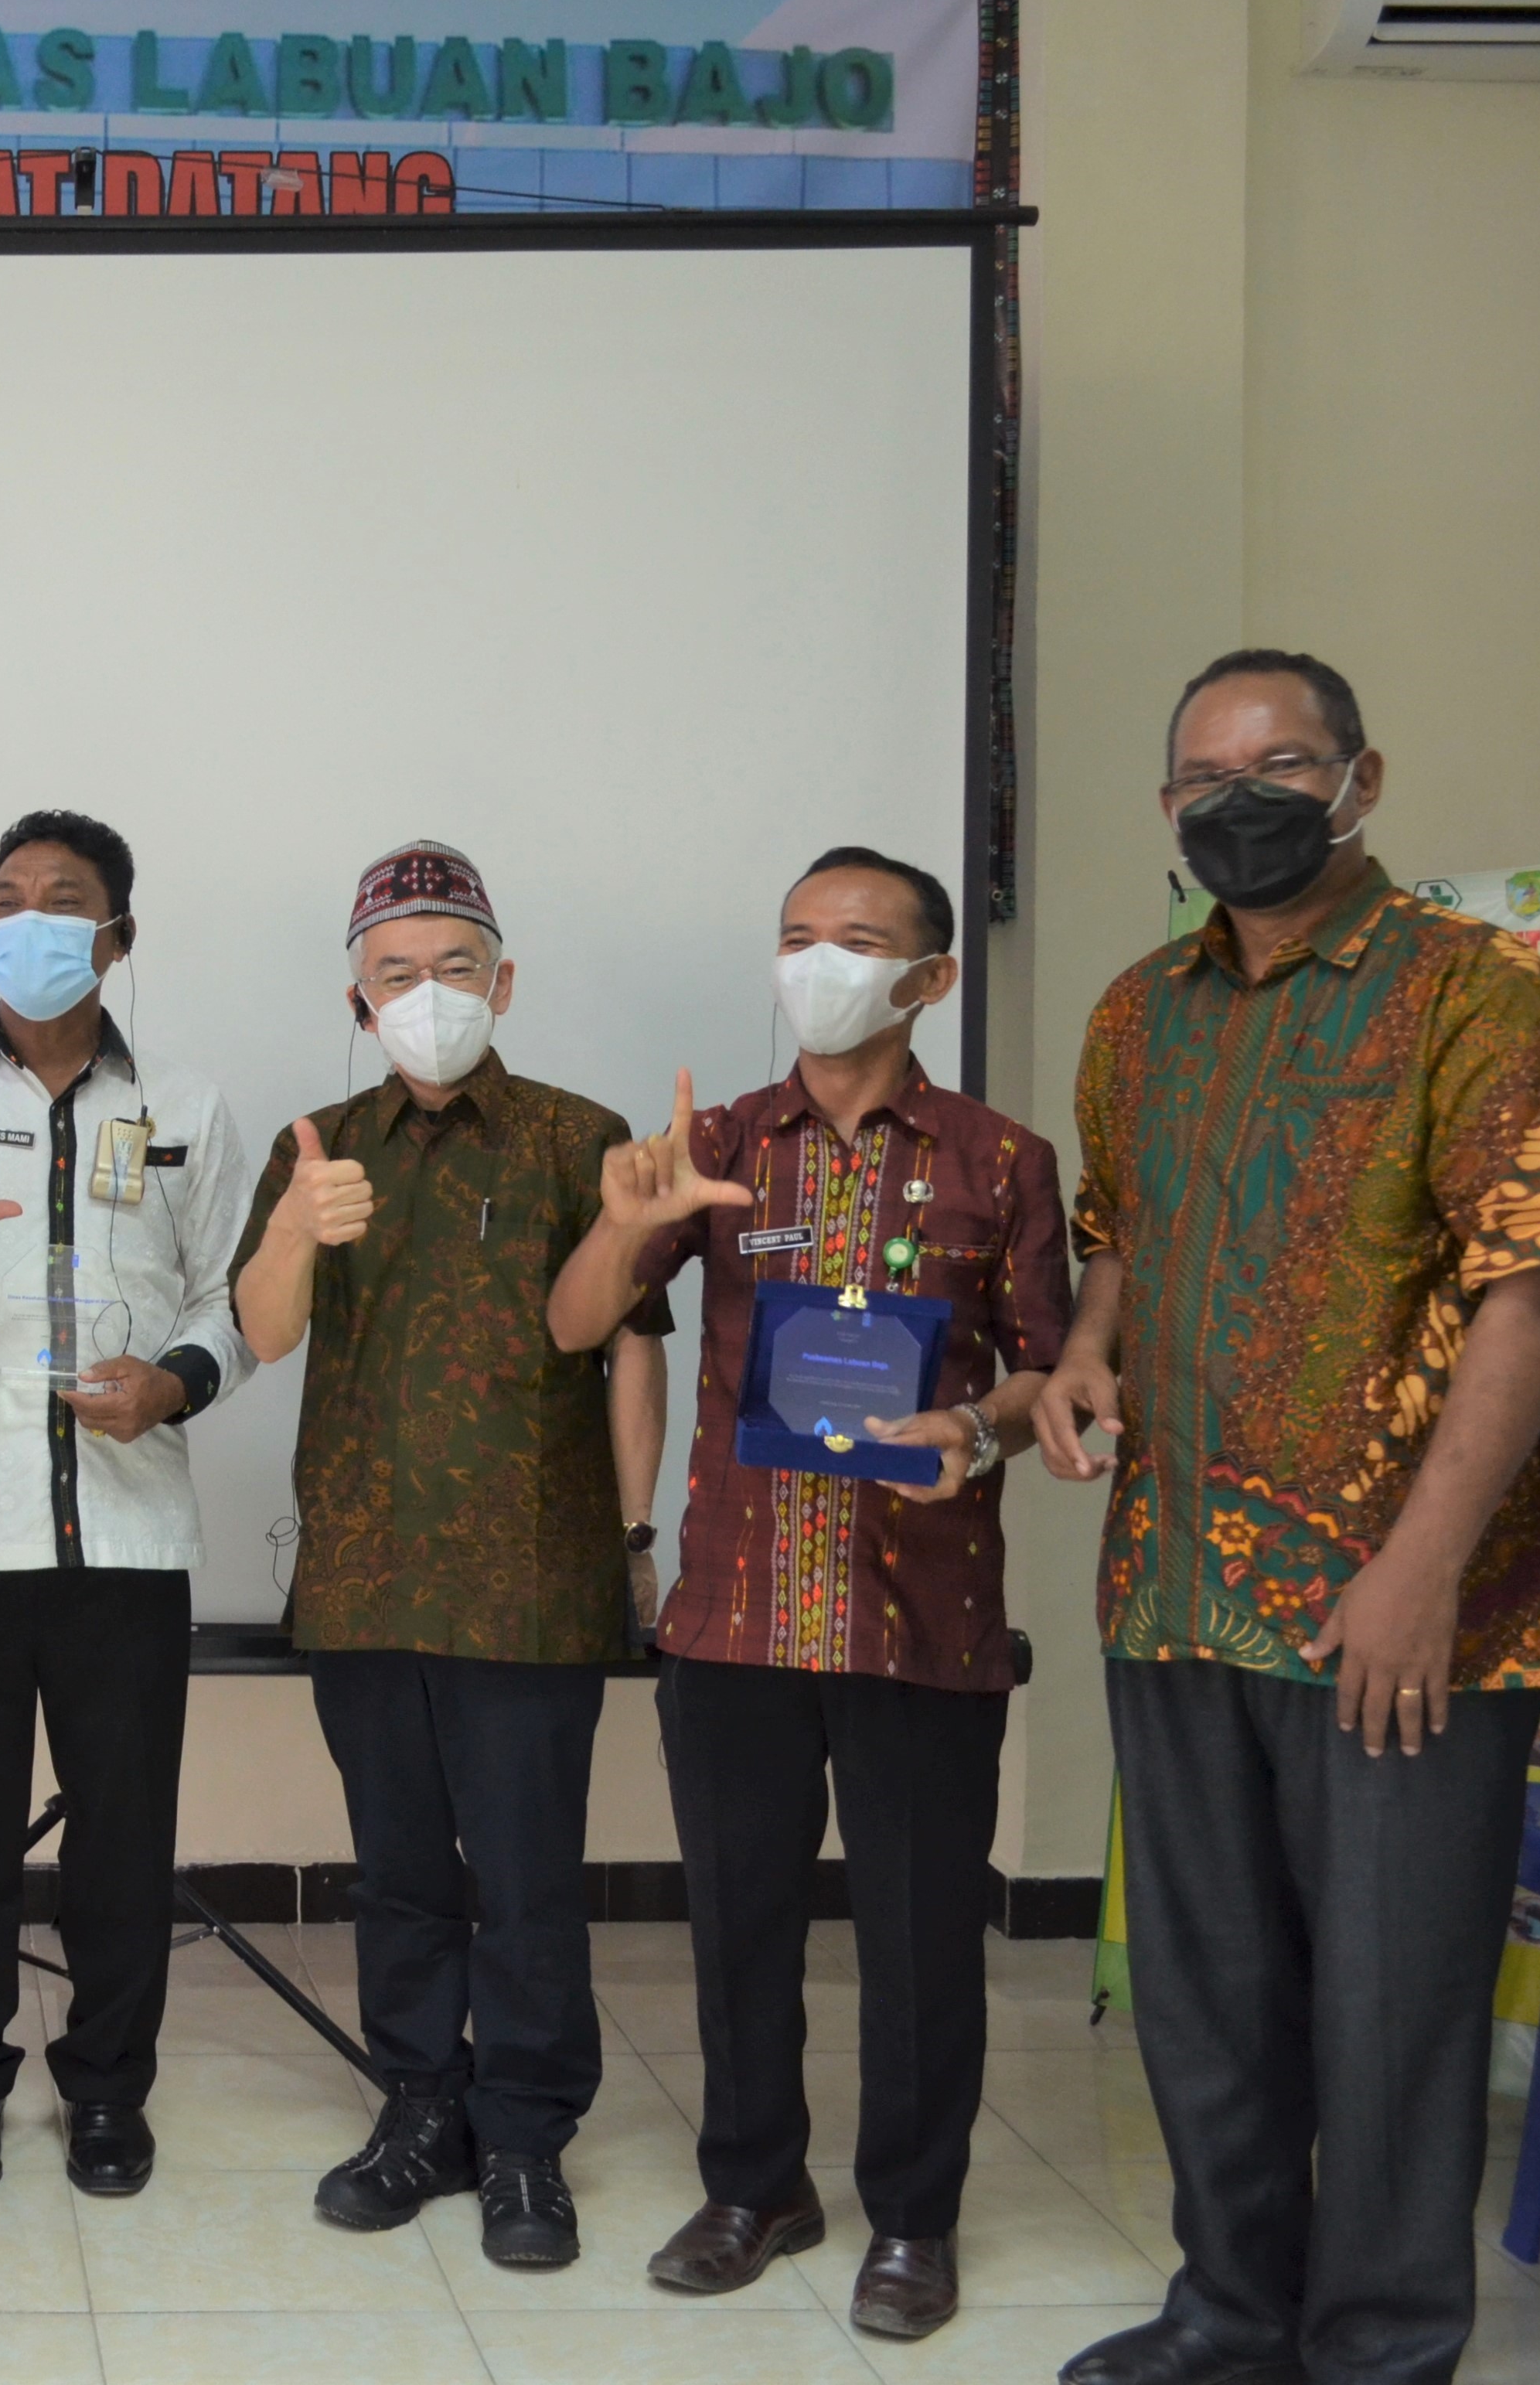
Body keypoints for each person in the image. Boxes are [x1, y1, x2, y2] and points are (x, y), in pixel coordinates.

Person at [1037, 651, 1540, 2385]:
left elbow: (1536, 1284)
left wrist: (1419, 1570)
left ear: (1360, 782)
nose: (1243, 801)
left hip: (1395, 1612)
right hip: (1173, 1589)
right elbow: (1117, 1232)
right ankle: (1230, 2315)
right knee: (1208, 1999)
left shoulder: (1475, 992)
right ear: (1166, 809)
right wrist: (1084, 1351)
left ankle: (1378, 2348)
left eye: (1282, 764)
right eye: (1205, 778)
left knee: (1390, 2013)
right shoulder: (1136, 1014)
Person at [547, 846, 1070, 2341]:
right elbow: (576, 1325)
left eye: (854, 939)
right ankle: (755, 2189)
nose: (815, 965)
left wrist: (976, 1428)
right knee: (739, 1929)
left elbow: (1051, 1367)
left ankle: (913, 2220)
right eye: (794, 937)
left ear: (931, 978)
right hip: (738, 1609)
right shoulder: (715, 1143)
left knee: (918, 1942)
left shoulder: (1001, 1161)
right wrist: (625, 1218)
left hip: (923, 1614)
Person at [232, 839, 670, 2270]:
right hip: (364, 1574)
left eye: (456, 967)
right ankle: (422, 2107)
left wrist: (637, 1539)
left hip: (532, 1577)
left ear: (505, 980)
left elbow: (626, 1348)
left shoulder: (579, 1136)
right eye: (397, 974)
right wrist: (295, 1228)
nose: (429, 994)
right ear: (359, 999)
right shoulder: (318, 1144)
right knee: (401, 1874)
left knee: (528, 1877)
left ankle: (527, 2135)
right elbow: (265, 1332)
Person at [0, 809, 255, 2202]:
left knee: (123, 1836)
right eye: (6, 897)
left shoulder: (187, 1108)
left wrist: (176, 1384)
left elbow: (234, 1300)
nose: (29, 921)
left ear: (117, 937)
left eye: (61, 900)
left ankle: (109, 2090)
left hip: (127, 1535)